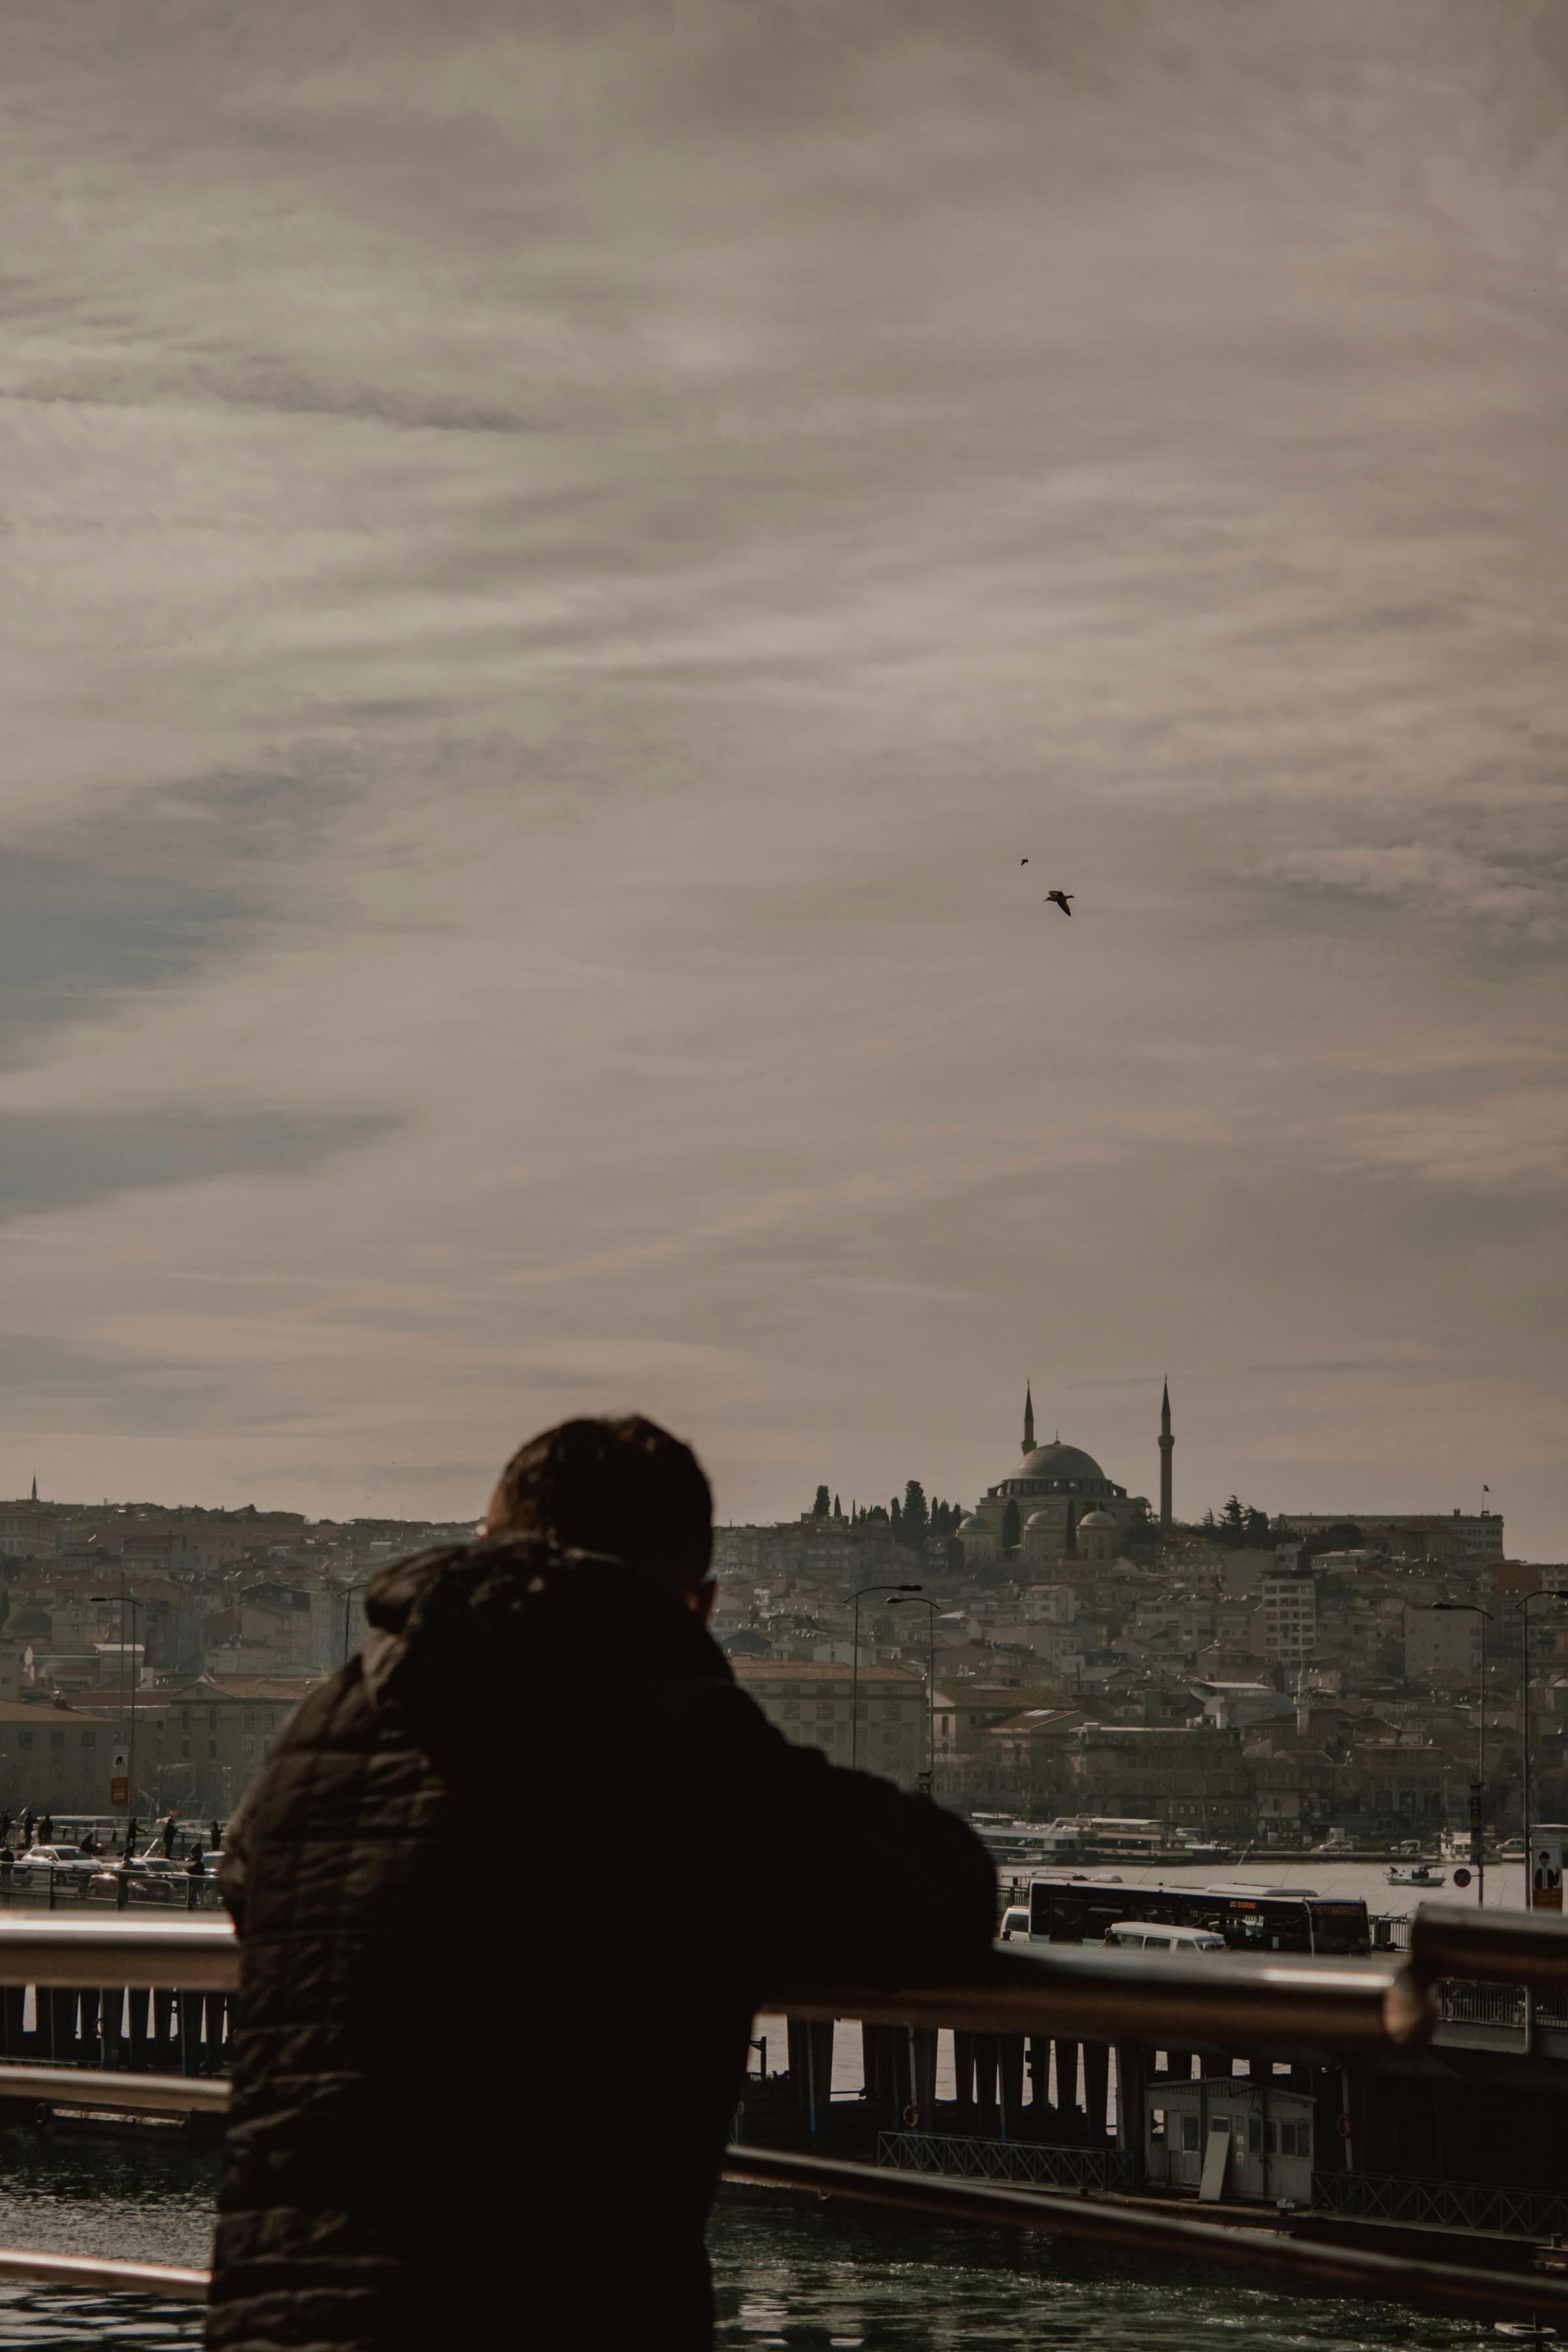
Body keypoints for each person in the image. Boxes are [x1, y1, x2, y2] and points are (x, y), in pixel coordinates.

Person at [209, 1415, 994, 2352]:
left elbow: (246, 1877)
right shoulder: (671, 1735)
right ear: (698, 1604)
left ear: (486, 1539)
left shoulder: (329, 1716)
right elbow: (942, 1895)